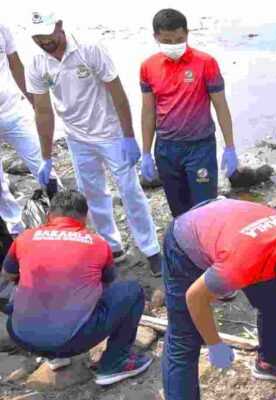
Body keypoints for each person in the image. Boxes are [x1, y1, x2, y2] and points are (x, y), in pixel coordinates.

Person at [24, 10, 163, 276]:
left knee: (131, 192)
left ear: (60, 26)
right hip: (77, 138)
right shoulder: (37, 63)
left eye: (49, 34)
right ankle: (112, 246)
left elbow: (118, 93)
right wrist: (46, 157)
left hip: (111, 134)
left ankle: (151, 249)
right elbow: (42, 111)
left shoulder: (89, 48)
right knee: (94, 195)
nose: (45, 42)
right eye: (38, 37)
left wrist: (129, 136)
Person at [161, 198, 276, 399]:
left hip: (230, 225)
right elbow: (195, 297)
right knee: (185, 336)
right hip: (187, 236)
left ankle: (272, 362)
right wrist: (214, 343)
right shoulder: (239, 266)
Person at [1, 189, 152, 385]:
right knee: (132, 292)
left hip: (21, 336)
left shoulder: (24, 238)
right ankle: (114, 363)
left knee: (24, 287)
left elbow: (8, 276)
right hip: (73, 341)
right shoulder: (98, 244)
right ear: (85, 218)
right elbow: (106, 283)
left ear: (49, 216)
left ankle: (53, 355)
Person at [140, 8, 238, 218]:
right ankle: (185, 247)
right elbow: (148, 111)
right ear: (155, 37)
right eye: (167, 40)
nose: (174, 45)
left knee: (205, 209)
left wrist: (230, 146)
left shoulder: (206, 63)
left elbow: (221, 105)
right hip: (166, 149)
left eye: (179, 39)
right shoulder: (148, 67)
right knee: (179, 211)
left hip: (200, 148)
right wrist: (146, 152)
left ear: (187, 34)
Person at [0, 22, 60, 235]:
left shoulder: (2, 26)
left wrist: (36, 103)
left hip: (12, 110)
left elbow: (15, 64)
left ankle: (62, 218)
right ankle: (15, 229)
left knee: (43, 163)